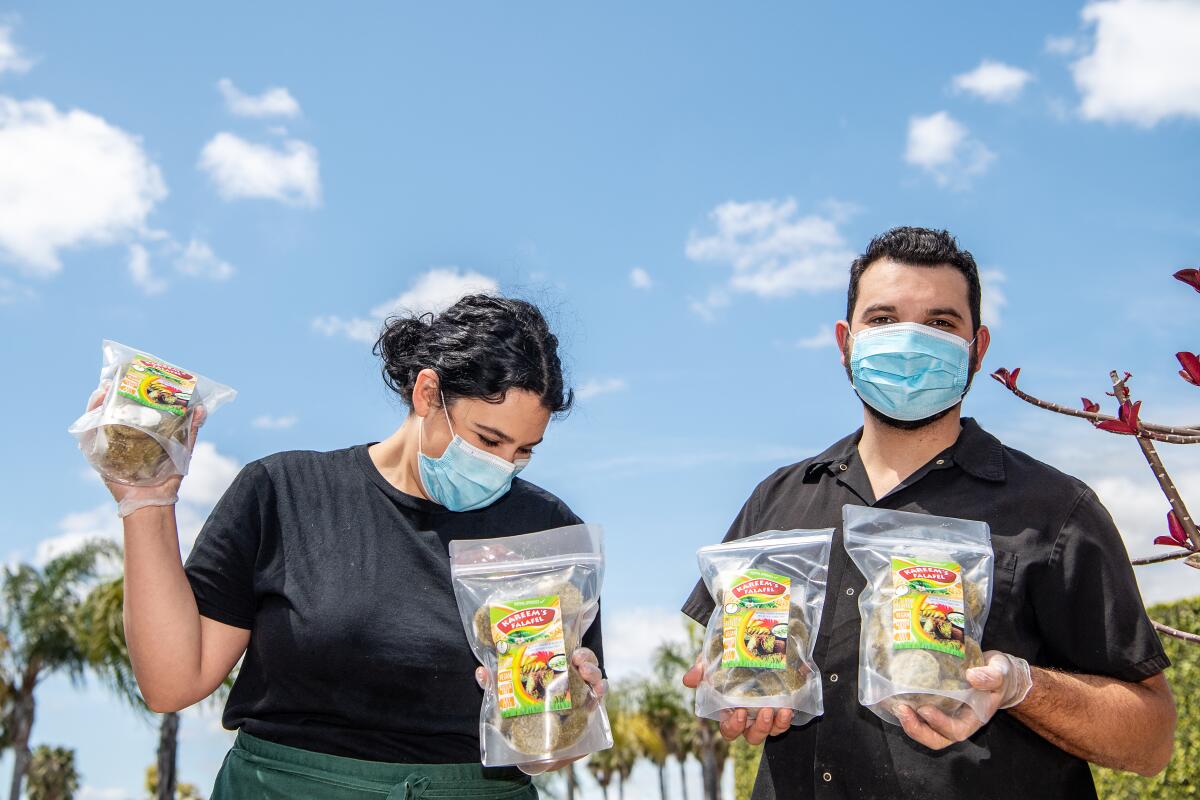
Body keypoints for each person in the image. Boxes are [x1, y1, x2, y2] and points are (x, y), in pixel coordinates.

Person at [679, 227, 1176, 799]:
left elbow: (1151, 739)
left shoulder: (1055, 510)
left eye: (940, 324)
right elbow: (729, 658)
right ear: (846, 341)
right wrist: (736, 690)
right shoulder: (778, 500)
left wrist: (1020, 686)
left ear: (978, 347)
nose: (910, 341)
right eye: (883, 319)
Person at [100, 294, 605, 798]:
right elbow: (171, 683)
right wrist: (147, 501)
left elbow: (549, 749)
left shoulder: (546, 533)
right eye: (488, 440)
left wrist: (567, 721)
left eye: (523, 452)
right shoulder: (283, 491)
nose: (503, 465)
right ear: (428, 394)